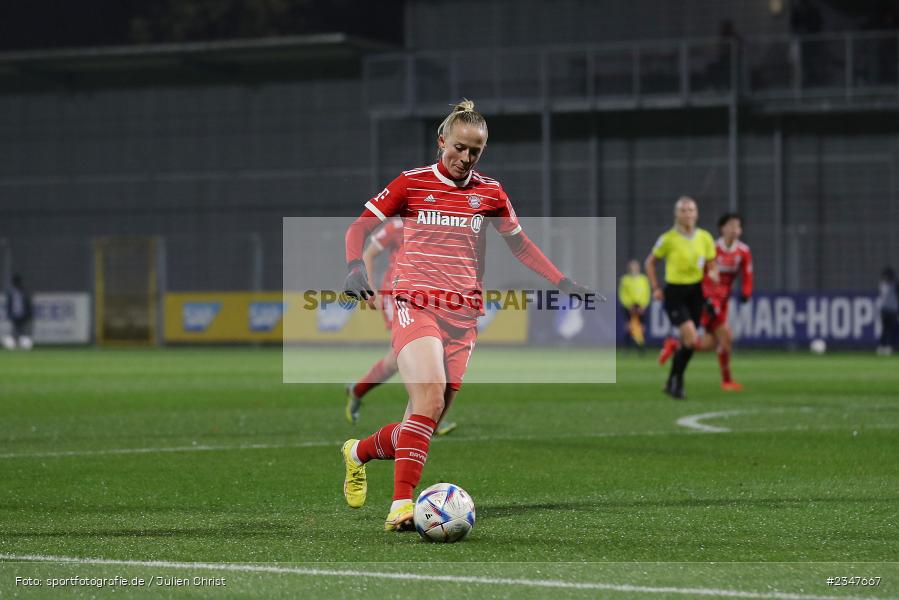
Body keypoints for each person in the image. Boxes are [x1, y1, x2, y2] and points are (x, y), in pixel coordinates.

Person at [340, 99, 593, 531]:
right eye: (459, 147)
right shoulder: (412, 182)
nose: (465, 158)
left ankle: (358, 452)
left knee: (425, 421)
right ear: (442, 141)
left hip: (463, 315)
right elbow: (359, 227)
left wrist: (562, 281)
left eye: (475, 151)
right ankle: (401, 505)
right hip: (413, 303)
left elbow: (522, 245)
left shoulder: (490, 193)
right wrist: (354, 267)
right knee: (429, 399)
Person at [345, 216, 457, 435]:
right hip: (397, 295)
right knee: (407, 356)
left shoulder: (435, 224)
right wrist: (369, 290)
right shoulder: (396, 227)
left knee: (400, 359)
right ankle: (426, 413)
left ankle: (357, 390)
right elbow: (369, 253)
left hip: (425, 296)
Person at [660, 213, 753, 391]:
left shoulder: (743, 251)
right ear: (722, 228)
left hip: (724, 300)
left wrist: (746, 292)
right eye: (731, 225)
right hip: (708, 299)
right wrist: (709, 298)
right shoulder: (712, 247)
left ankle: (674, 345)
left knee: (710, 343)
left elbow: (748, 274)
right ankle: (726, 381)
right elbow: (702, 273)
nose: (735, 230)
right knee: (726, 337)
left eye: (738, 226)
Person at [645, 196, 718, 400]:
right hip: (675, 293)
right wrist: (656, 287)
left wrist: (713, 274)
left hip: (696, 293)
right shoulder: (668, 238)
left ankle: (673, 381)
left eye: (691, 210)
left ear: (697, 214)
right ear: (676, 214)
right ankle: (677, 383)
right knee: (691, 336)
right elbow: (650, 263)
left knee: (690, 343)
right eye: (683, 210)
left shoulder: (705, 238)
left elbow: (712, 265)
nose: (687, 214)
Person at [618, 259, 650, 353]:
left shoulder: (643, 279)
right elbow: (623, 294)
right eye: (632, 266)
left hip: (640, 306)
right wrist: (628, 305)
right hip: (629, 306)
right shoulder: (625, 279)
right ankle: (626, 347)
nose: (634, 268)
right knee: (629, 327)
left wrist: (643, 305)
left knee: (641, 327)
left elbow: (646, 293)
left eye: (635, 266)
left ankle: (640, 347)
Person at [3, 274, 34, 351]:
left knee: (24, 331)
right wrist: (9, 313)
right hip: (15, 314)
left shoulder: (24, 291)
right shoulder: (11, 292)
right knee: (15, 331)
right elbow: (9, 304)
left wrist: (29, 313)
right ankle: (15, 346)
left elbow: (28, 303)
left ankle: (24, 346)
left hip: (24, 314)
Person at [876, 266, 898, 355]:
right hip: (889, 311)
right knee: (888, 330)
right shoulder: (892, 285)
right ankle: (885, 346)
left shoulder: (883, 284)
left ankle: (885, 346)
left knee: (888, 330)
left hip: (887, 310)